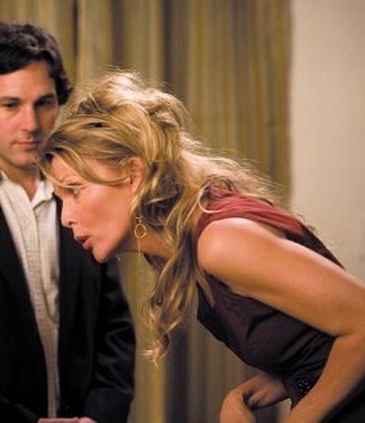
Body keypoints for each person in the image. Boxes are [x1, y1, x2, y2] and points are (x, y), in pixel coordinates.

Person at [39, 71, 365, 422]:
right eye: (60, 199)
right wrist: (243, 395)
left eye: (75, 190)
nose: (65, 217)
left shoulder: (221, 242)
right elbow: (315, 351)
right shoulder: (188, 245)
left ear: (133, 175)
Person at [0, 21, 135, 423]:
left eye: (44, 103)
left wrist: (98, 417)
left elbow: (113, 326)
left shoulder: (88, 190)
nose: (31, 124)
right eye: (11, 105)